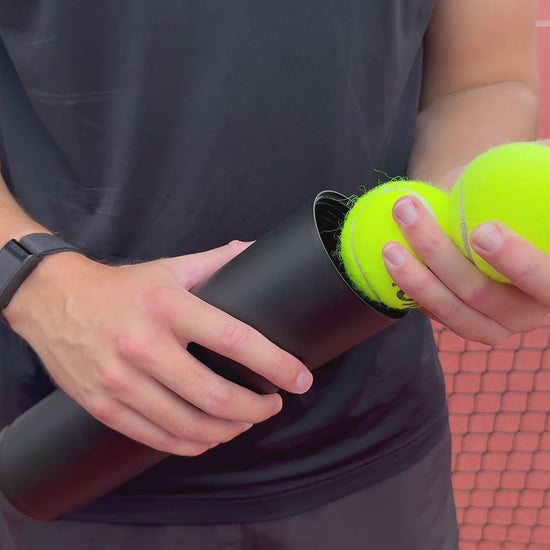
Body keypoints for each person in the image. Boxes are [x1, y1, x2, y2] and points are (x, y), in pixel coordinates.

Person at [0, 1, 547, 548]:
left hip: (375, 454)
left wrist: (450, 229)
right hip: (58, 451)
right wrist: (37, 280)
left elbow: (485, 79)